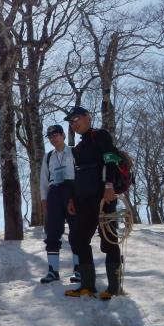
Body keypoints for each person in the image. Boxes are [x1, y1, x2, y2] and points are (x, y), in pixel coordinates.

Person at [62, 107, 121, 299]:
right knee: (78, 240)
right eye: (70, 122)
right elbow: (74, 175)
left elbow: (110, 158)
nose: (74, 124)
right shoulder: (78, 148)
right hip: (82, 199)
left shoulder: (100, 135)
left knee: (109, 240)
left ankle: (114, 287)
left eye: (76, 119)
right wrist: (71, 197)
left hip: (103, 197)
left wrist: (110, 185)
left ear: (88, 117)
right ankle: (87, 286)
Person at [39, 124, 80, 284]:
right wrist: (44, 199)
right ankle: (52, 271)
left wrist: (77, 195)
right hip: (54, 192)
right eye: (50, 136)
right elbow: (43, 178)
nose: (53, 138)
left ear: (63, 135)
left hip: (72, 191)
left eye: (55, 135)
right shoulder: (48, 156)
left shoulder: (74, 152)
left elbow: (80, 173)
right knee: (52, 231)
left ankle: (79, 270)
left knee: (77, 231)